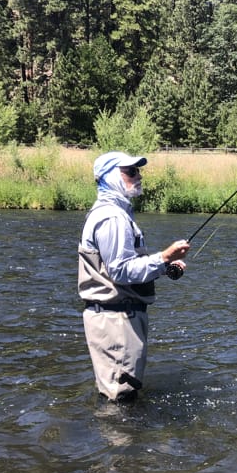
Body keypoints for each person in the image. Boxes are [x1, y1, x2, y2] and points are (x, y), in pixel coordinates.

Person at [78, 151, 190, 403]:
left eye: (138, 171)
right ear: (109, 177)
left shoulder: (117, 214)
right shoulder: (112, 217)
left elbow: (122, 269)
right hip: (115, 321)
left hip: (118, 318)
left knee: (122, 396)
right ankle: (122, 443)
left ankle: (122, 441)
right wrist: (163, 257)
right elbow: (121, 271)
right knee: (121, 400)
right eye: (130, 171)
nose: (138, 176)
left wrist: (164, 266)